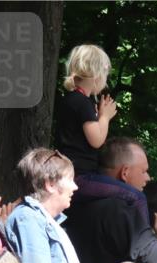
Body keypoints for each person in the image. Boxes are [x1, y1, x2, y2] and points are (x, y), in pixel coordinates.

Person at [63, 137, 157, 263]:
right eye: (144, 171)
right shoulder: (121, 209)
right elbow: (154, 261)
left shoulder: (74, 201)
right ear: (125, 172)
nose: (148, 177)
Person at [54, 44, 117, 175]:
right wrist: (104, 117)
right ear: (97, 75)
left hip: (67, 169)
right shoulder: (83, 102)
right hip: (80, 172)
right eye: (105, 74)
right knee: (128, 194)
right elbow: (97, 141)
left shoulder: (71, 99)